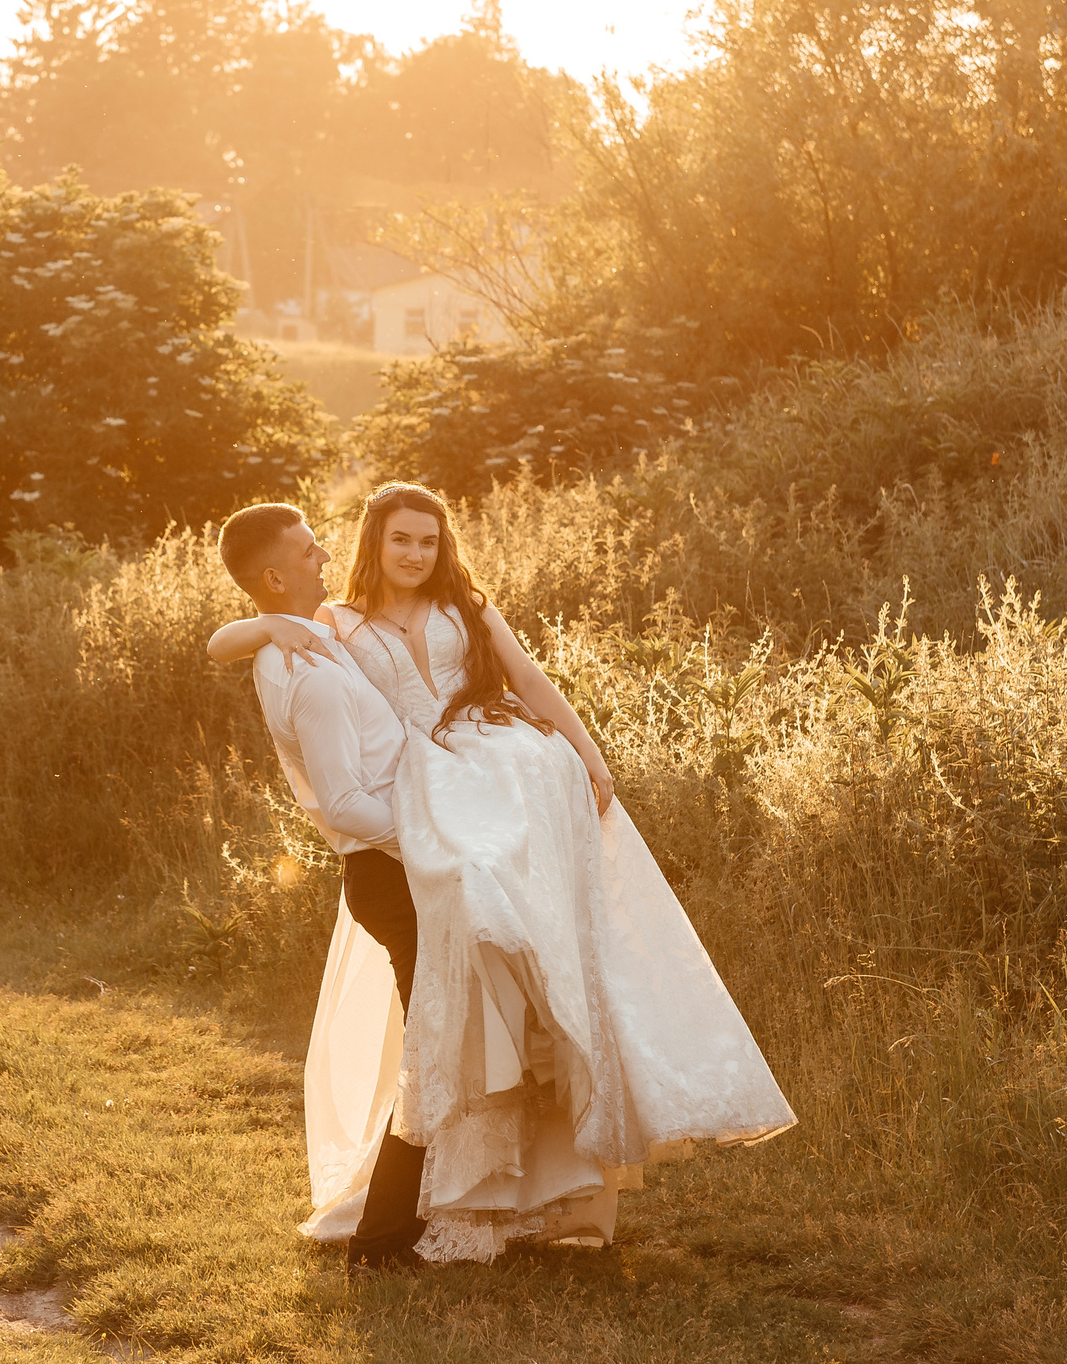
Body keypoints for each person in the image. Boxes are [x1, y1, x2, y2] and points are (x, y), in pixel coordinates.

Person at [212, 482, 796, 1263]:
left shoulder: (469, 608)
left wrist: (589, 754)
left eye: (428, 539)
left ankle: (542, 1186)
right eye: (400, 540)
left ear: (443, 544)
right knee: (464, 1021)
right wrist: (271, 617)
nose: (415, 553)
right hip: (435, 801)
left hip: (507, 785)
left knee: (548, 980)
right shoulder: (335, 626)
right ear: (373, 545)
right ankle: (440, 1206)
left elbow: (529, 678)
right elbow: (228, 641)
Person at [216, 500, 430, 1271]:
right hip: (393, 874)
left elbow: (220, 638)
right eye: (310, 549)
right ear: (275, 573)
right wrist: (438, 840)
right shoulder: (308, 676)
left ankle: (442, 1206)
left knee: (442, 1038)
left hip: (400, 869)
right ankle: (379, 1239)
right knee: (433, 1046)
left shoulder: (314, 636)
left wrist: (265, 622)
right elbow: (344, 805)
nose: (325, 553)